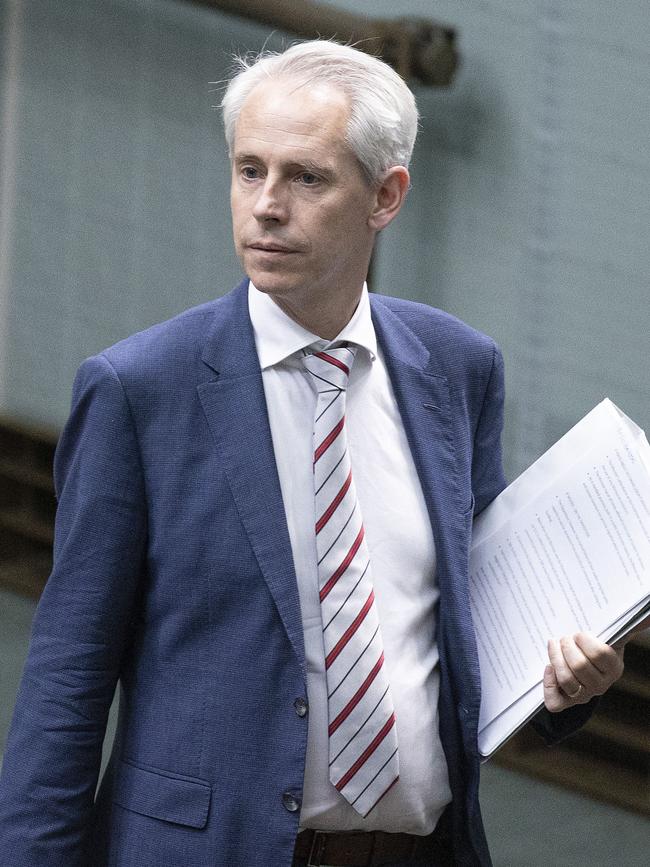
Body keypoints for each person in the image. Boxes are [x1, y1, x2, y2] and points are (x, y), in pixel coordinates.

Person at [0, 40, 636, 867]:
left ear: (386, 195)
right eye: (249, 170)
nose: (266, 205)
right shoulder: (139, 389)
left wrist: (562, 688)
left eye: (306, 177)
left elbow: (482, 626)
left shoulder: (459, 368)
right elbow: (65, 685)